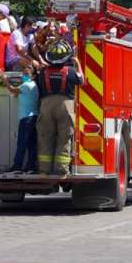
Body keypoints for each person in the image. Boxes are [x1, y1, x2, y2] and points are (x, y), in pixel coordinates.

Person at [36, 40, 83, 176]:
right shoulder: (71, 71)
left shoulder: (43, 71)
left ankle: (44, 171)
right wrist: (78, 63)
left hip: (46, 105)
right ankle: (61, 170)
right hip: (65, 105)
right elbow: (82, 80)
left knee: (45, 137)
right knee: (64, 137)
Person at [3, 64, 39, 174]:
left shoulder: (26, 86)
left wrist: (5, 81)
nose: (24, 76)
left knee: (21, 143)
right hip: (32, 117)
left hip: (26, 118)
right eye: (23, 74)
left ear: (32, 76)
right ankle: (31, 166)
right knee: (31, 143)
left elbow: (13, 90)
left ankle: (17, 166)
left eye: (27, 74)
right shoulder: (33, 85)